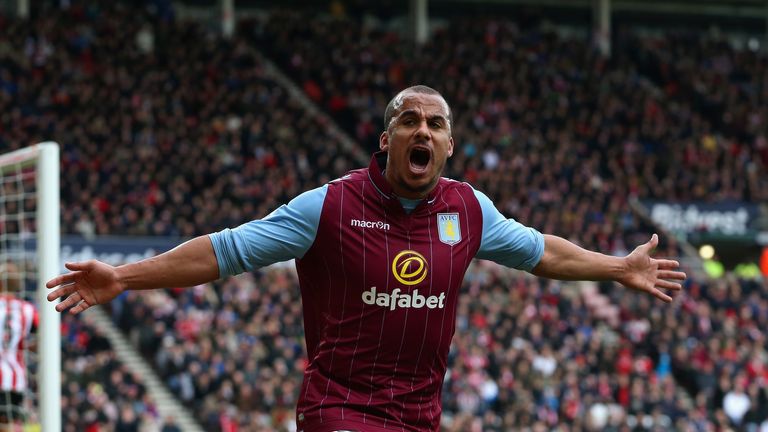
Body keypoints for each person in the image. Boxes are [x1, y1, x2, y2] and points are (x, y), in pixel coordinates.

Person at [47, 85, 686, 432]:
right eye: (410, 121)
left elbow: (541, 252)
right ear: (386, 140)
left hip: (418, 418)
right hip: (339, 411)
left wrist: (617, 267)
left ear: (450, 146)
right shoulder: (327, 207)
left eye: (436, 125)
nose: (423, 132)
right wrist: (124, 277)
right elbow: (228, 251)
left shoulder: (468, 212)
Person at [0, 261, 38, 430]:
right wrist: (26, 345)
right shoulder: (28, 310)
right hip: (16, 379)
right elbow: (43, 338)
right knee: (7, 425)